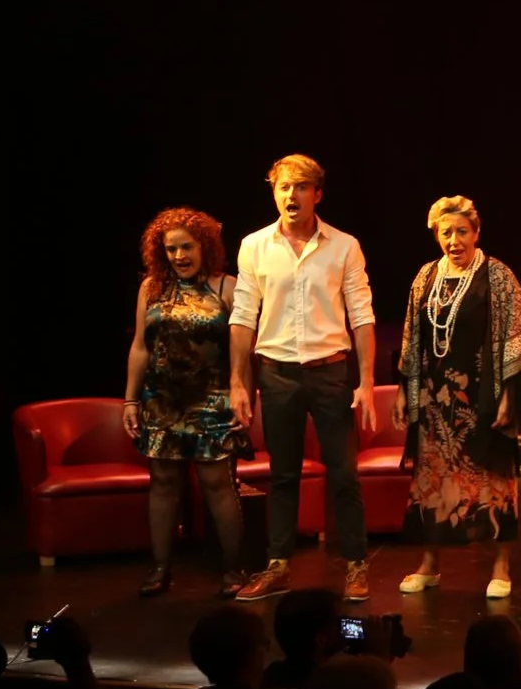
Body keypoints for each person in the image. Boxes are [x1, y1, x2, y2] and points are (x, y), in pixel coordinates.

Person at [230, 154, 377, 603]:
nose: (291, 196)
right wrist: (239, 382)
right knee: (283, 475)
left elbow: (362, 315)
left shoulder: (343, 246)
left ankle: (355, 563)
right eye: (283, 187)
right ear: (273, 192)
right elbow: (242, 317)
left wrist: (366, 382)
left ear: (317, 194)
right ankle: (278, 565)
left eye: (300, 187)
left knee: (344, 474)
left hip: (330, 370)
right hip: (276, 374)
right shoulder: (254, 246)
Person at [395, 196, 521, 600]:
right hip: (436, 402)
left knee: (494, 483)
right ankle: (430, 565)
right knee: (433, 482)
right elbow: (412, 337)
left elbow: (518, 336)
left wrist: (510, 396)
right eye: (446, 233)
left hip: (483, 399)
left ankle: (501, 567)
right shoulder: (426, 276)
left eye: (461, 231)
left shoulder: (497, 276)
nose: (454, 240)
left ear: (476, 233)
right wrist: (407, 392)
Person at [123, 207, 247, 598]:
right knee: (162, 483)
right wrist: (130, 399)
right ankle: (160, 568)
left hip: (212, 400)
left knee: (217, 484)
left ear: (204, 246)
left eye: (186, 247)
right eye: (171, 249)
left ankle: (233, 569)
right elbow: (140, 347)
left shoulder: (226, 287)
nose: (179, 256)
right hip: (162, 400)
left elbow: (244, 353)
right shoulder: (151, 289)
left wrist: (244, 398)